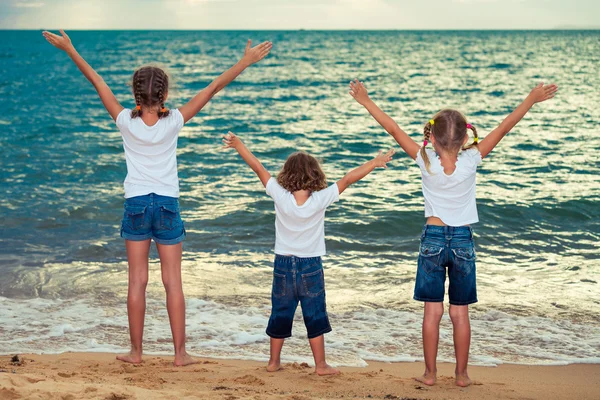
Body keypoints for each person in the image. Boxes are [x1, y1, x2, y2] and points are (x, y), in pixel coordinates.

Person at [42, 29, 272, 366]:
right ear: (163, 94)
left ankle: (136, 353)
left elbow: (97, 81)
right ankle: (180, 354)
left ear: (136, 94)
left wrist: (71, 49)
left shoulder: (124, 121)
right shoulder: (175, 120)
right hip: (166, 204)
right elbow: (212, 88)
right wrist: (245, 62)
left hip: (136, 204)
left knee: (137, 281)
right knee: (172, 282)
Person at [349, 79, 557, 386]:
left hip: (433, 240)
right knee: (460, 315)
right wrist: (531, 98)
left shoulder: (425, 159)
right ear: (465, 138)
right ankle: (461, 375)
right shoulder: (472, 159)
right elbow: (505, 126)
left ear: (431, 138)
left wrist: (366, 101)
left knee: (432, 314)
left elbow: (393, 129)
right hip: (462, 240)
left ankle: (430, 374)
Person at [223, 131, 394, 375]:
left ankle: (273, 362)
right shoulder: (320, 199)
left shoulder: (279, 196)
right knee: (315, 314)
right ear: (315, 174)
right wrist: (374, 163)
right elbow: (348, 179)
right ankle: (321, 365)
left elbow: (258, 167)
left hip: (283, 265)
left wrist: (239, 144)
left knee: (280, 312)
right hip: (310, 266)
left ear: (286, 175)